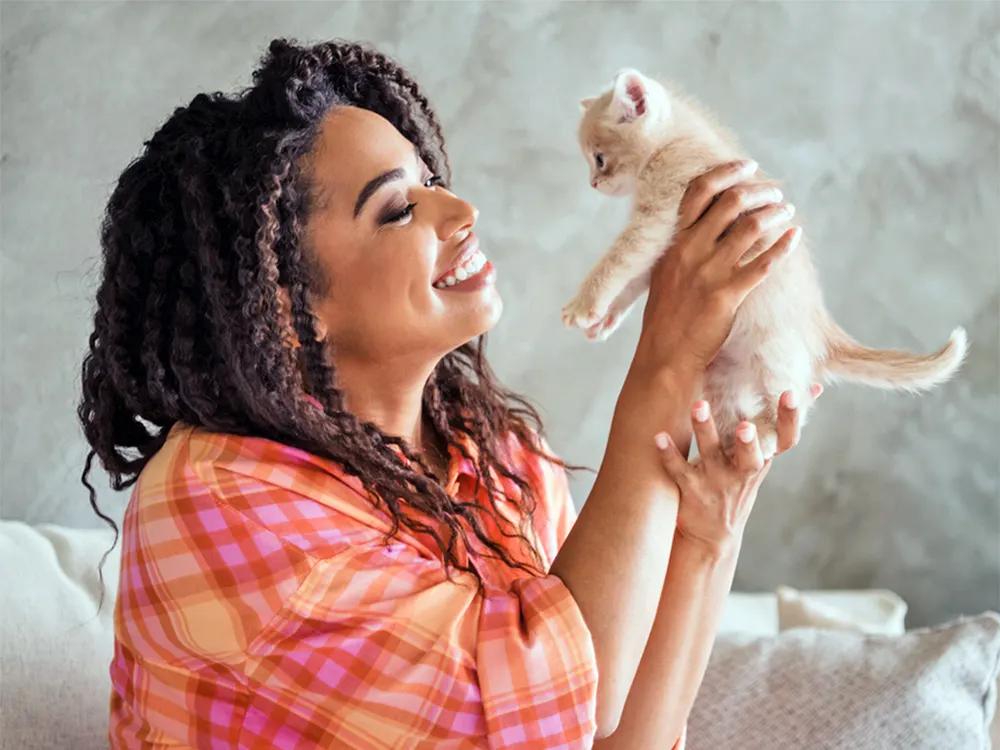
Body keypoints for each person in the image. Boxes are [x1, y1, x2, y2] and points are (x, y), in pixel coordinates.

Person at [79, 37, 821, 749]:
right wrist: (666, 361)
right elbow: (572, 696)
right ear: (280, 305)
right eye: (398, 209)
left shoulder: (501, 461)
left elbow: (608, 737)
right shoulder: (221, 502)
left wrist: (704, 533)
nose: (462, 214)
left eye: (432, 182)